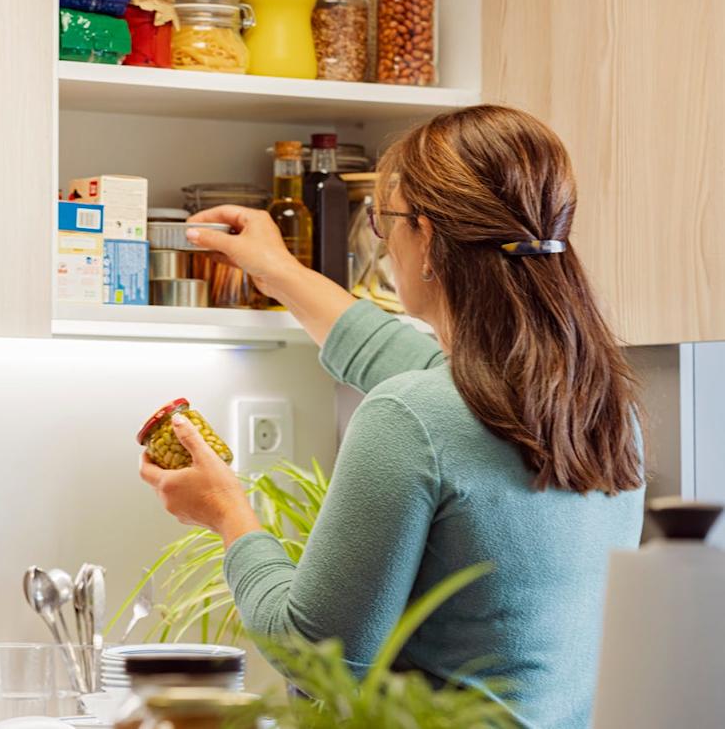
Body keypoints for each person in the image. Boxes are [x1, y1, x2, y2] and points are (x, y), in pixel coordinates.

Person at [139, 105, 645, 728]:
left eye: (385, 222)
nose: (383, 241)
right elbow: (390, 354)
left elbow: (315, 653)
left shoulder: (412, 416)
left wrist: (225, 512)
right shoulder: (596, 403)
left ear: (426, 238)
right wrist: (278, 271)